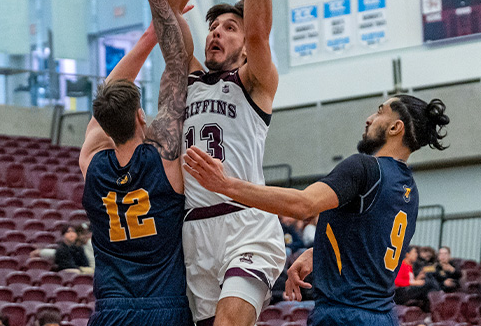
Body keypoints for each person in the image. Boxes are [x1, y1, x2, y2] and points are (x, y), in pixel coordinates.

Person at [184, 95, 450, 326]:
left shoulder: (365, 168)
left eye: (380, 111)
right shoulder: (409, 188)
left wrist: (226, 185)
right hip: (383, 316)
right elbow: (370, 241)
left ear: (395, 127)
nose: (369, 118)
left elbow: (303, 204)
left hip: (344, 316)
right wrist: (318, 252)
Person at [166, 0, 293, 326]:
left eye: (229, 28)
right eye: (213, 26)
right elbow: (165, 13)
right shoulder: (188, 80)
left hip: (246, 223)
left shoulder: (255, 82)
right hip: (196, 232)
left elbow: (259, 32)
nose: (217, 32)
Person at [79, 0, 193, 326]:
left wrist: (146, 37)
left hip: (111, 310)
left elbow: (106, 98)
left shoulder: (92, 163)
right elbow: (178, 68)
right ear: (141, 117)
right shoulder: (164, 155)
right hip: (165, 306)